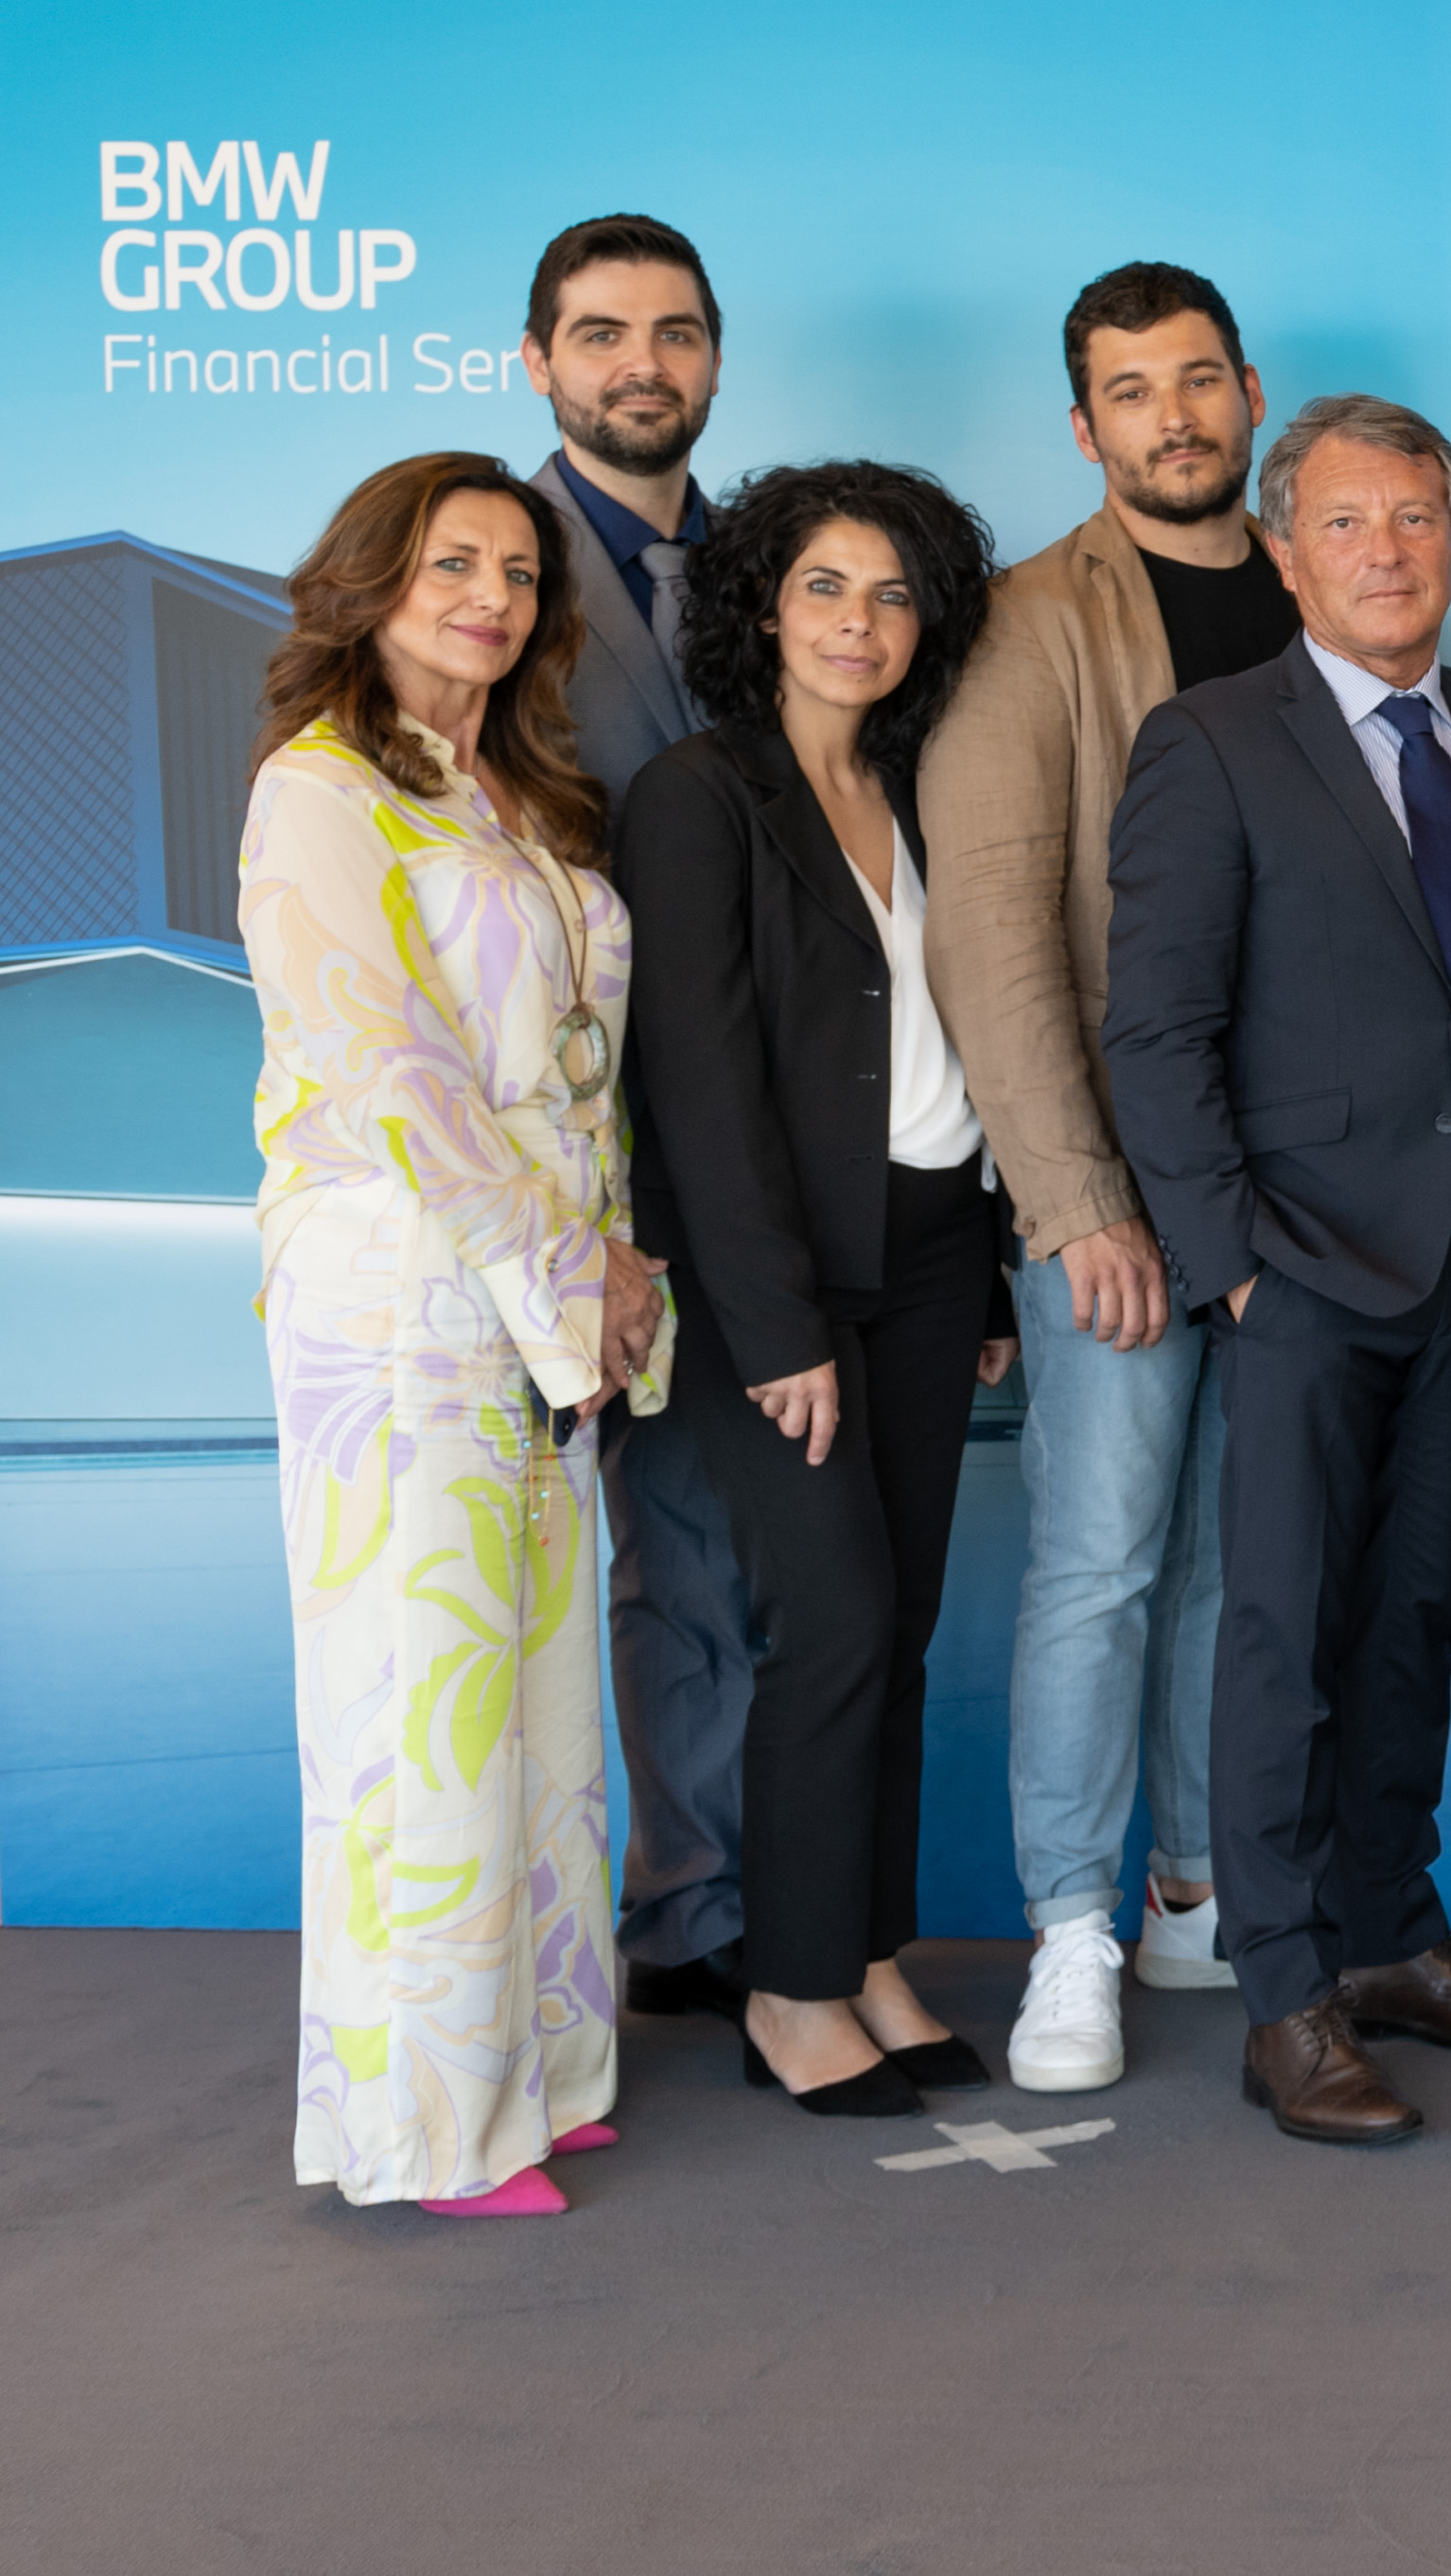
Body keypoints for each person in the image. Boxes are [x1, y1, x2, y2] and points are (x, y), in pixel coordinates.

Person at [1103, 395, 1451, 2147]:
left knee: (1415, 1619)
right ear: (1287, 554)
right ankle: (1285, 1992)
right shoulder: (1212, 741)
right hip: (1299, 1268)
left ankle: (1387, 1937)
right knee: (1285, 1635)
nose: (1389, 551)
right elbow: (1156, 1030)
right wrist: (1232, 1266)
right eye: (1349, 523)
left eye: (1417, 517)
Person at [244, 452, 654, 2215]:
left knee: (541, 1708)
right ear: (372, 582)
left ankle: (542, 2068)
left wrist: (611, 1274)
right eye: (450, 564)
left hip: (539, 1297)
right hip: (401, 1297)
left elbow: (579, 1077)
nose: (490, 596)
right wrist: (573, 1277)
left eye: (517, 570)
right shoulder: (319, 790)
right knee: (424, 1711)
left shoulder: (513, 795)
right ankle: (426, 2127)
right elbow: (396, 1072)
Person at [923, 261, 1299, 2092]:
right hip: (1120, 1205)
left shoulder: (1320, 581)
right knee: (1099, 1565)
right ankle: (1069, 1927)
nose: (1176, 417)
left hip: (1291, 1197)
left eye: (1200, 379)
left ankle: (1193, 1889)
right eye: (1133, 392)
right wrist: (1078, 1207)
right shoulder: (1026, 624)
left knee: (1239, 1560)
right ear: (1086, 429)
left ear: (1250, 393)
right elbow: (993, 935)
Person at [616, 463, 1019, 2120]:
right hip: (766, 1280)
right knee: (833, 1618)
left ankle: (865, 1954)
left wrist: (986, 1277)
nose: (861, 623)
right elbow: (696, 1090)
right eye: (826, 588)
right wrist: (776, 1328)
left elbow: (955, 1050)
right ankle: (787, 1988)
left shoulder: (922, 788)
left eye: (894, 593)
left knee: (899, 1624)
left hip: (931, 1252)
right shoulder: (699, 795)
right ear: (764, 608)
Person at [516, 212, 756, 2023]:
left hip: (789, 1133)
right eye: (602, 334)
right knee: (668, 1553)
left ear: (714, 358)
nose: (641, 365)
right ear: (540, 363)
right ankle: (691, 1919)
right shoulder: (483, 567)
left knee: (790, 1546)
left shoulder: (777, 568)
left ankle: (793, 1906)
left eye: (673, 332)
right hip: (592, 1154)